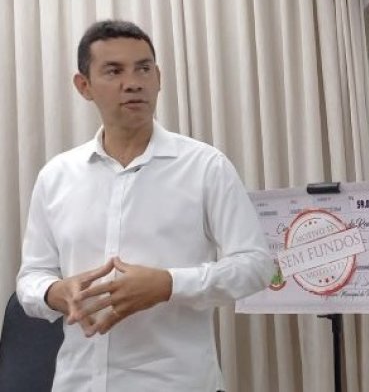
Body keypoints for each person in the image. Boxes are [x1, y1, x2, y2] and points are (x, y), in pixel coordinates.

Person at [16, 20, 275, 392]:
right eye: (114, 71)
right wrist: (55, 293)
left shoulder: (205, 166)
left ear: (159, 78)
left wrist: (169, 284)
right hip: (79, 381)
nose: (133, 83)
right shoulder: (56, 175)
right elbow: (31, 278)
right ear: (83, 86)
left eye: (143, 69)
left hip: (176, 383)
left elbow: (257, 266)